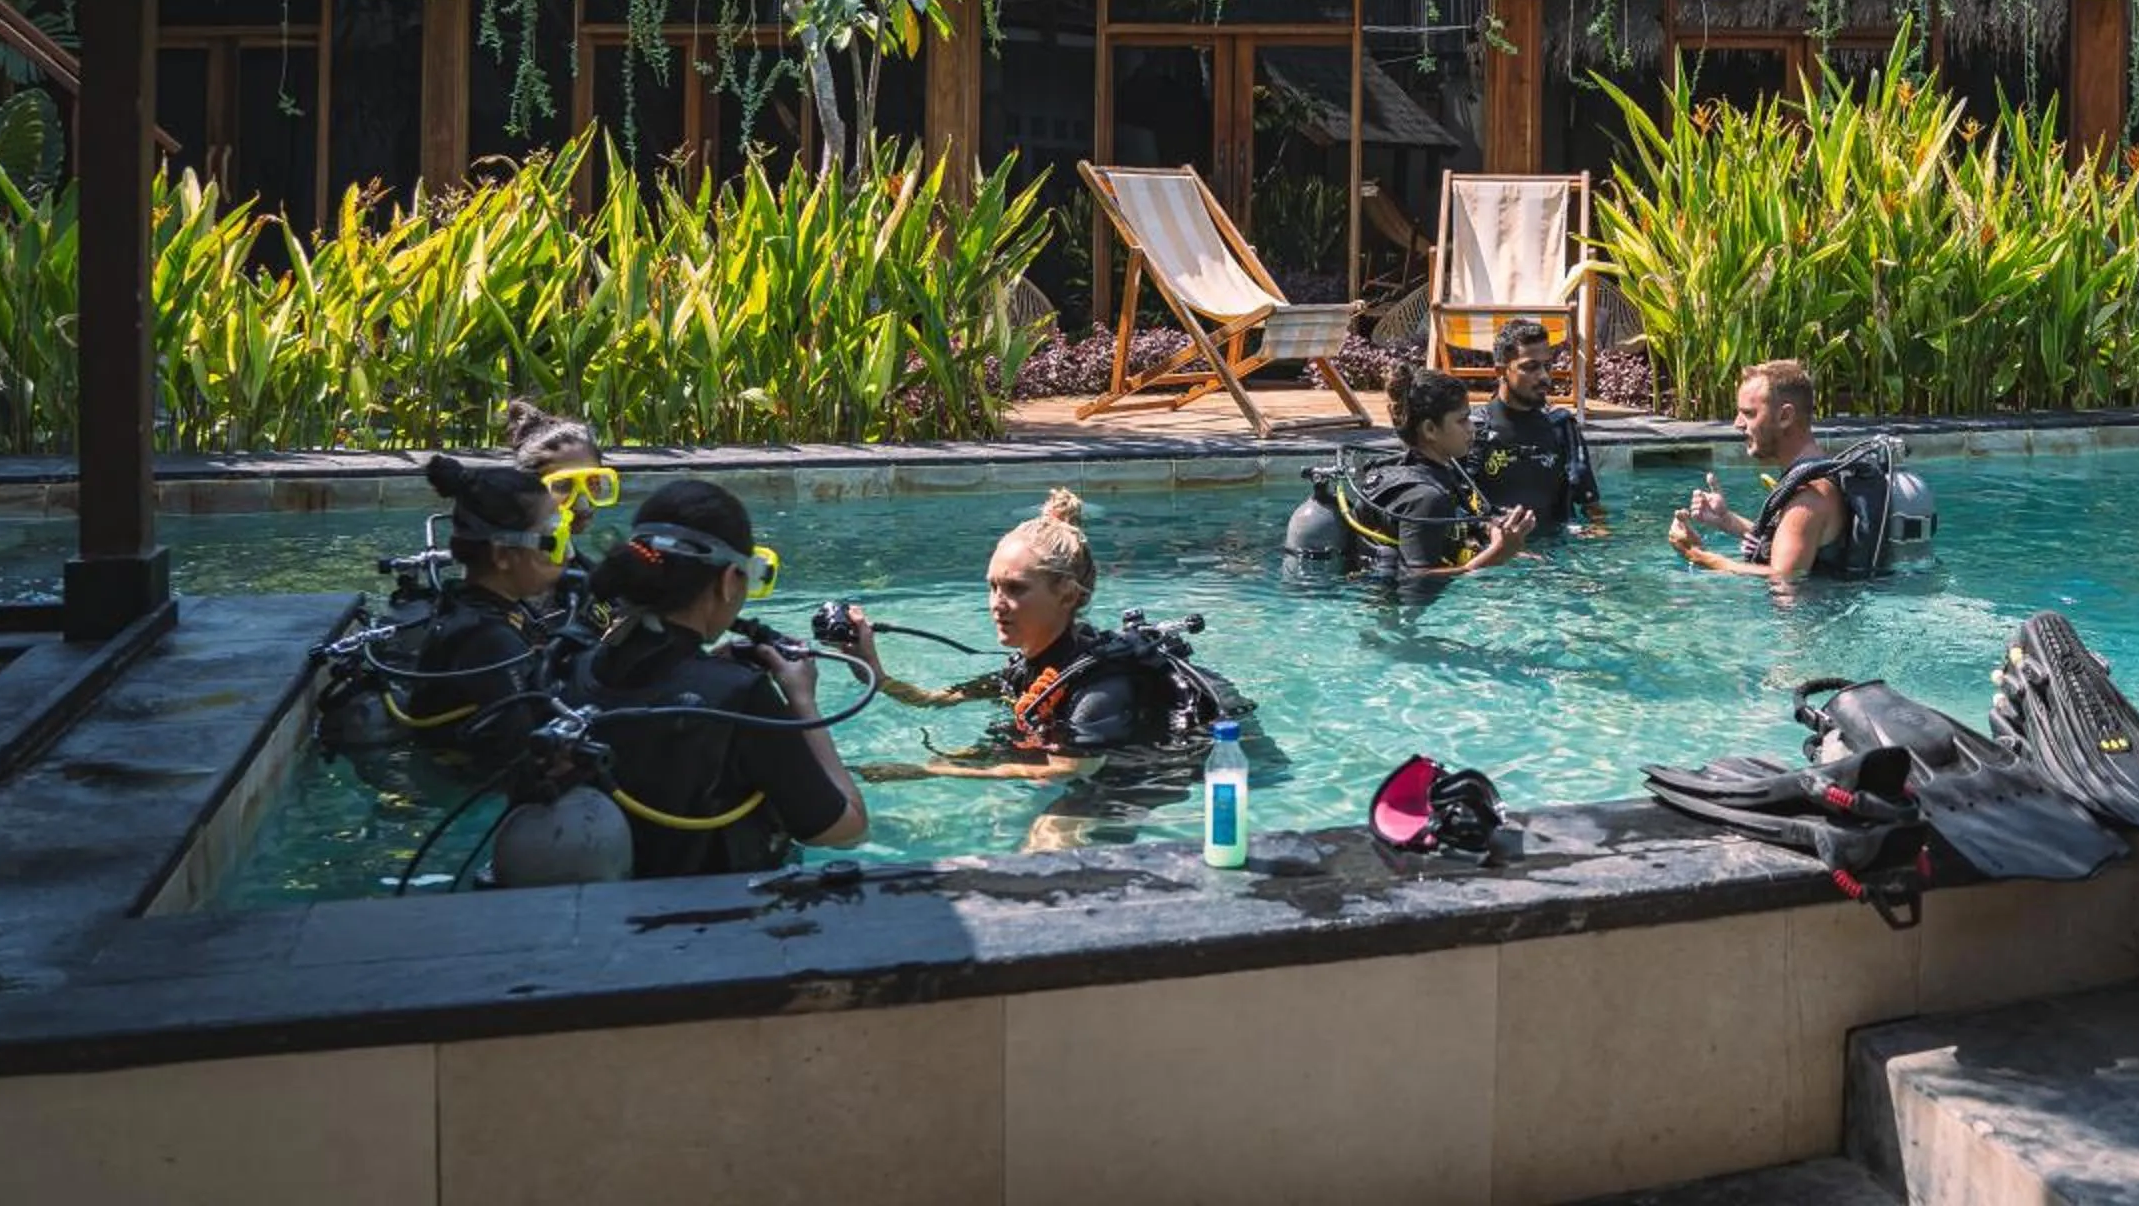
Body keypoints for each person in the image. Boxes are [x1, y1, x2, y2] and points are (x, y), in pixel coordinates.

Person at [559, 480, 867, 878]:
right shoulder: (737, 695)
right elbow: (845, 830)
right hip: (707, 918)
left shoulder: (575, 662)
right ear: (728, 581)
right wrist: (802, 701)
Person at [836, 488, 1238, 786]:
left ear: (1066, 595)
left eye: (1015, 589)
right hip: (1082, 764)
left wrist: (928, 771)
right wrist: (869, 667)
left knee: (1048, 832)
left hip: (1150, 775)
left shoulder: (1098, 687)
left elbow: (1062, 773)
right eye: (993, 586)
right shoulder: (1026, 669)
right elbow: (928, 702)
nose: (997, 603)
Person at [398, 455, 570, 759]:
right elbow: (523, 752)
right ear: (503, 555)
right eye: (552, 538)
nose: (565, 553)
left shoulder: (474, 606)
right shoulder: (490, 641)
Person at [1667, 358, 1880, 583]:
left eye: (1749, 413)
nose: (1737, 424)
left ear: (1785, 417)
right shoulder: (1815, 475)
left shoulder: (1810, 496)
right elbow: (1790, 539)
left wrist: (1695, 554)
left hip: (1809, 617)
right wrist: (1727, 520)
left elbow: (1783, 579)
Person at [1336, 364, 1537, 591]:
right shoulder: (1425, 497)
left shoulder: (1420, 469)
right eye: (1462, 420)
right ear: (1430, 430)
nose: (1472, 429)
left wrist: (1492, 529)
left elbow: (1457, 524)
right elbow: (1416, 580)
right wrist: (1498, 555)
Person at [1470, 318, 1603, 532]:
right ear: (1501, 371)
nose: (1544, 377)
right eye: (1530, 367)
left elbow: (1593, 508)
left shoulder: (1560, 427)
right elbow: (1457, 510)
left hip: (1557, 554)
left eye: (1547, 366)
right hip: (1498, 555)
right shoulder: (1474, 431)